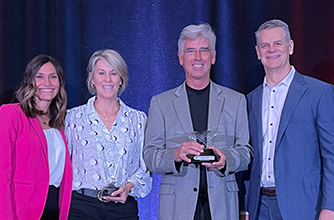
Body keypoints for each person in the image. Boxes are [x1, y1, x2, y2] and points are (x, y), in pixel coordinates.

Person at [143, 23, 252, 220]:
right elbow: (150, 156)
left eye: (204, 50)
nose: (198, 57)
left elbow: (245, 153)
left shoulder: (236, 101)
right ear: (180, 58)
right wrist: (175, 155)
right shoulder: (161, 103)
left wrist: (226, 159)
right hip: (178, 207)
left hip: (221, 205)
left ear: (214, 56)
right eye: (190, 51)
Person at [242, 19, 334, 220]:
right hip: (259, 208)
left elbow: (331, 156)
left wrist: (330, 208)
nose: (271, 50)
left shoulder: (319, 93)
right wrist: (245, 208)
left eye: (277, 43)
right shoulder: (249, 100)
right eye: (265, 45)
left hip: (305, 206)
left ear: (290, 47)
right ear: (258, 52)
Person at [65, 49, 152, 220]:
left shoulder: (138, 119)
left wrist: (128, 186)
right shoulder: (72, 118)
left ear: (121, 79)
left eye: (113, 73)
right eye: (101, 73)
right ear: (92, 78)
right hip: (81, 207)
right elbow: (62, 165)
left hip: (122, 209)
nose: (107, 79)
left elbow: (146, 166)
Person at [0, 55, 73, 220]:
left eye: (53, 77)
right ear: (29, 81)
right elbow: (2, 172)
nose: (47, 83)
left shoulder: (60, 123)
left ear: (60, 83)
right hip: (21, 210)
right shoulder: (11, 113)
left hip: (54, 207)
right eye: (39, 76)